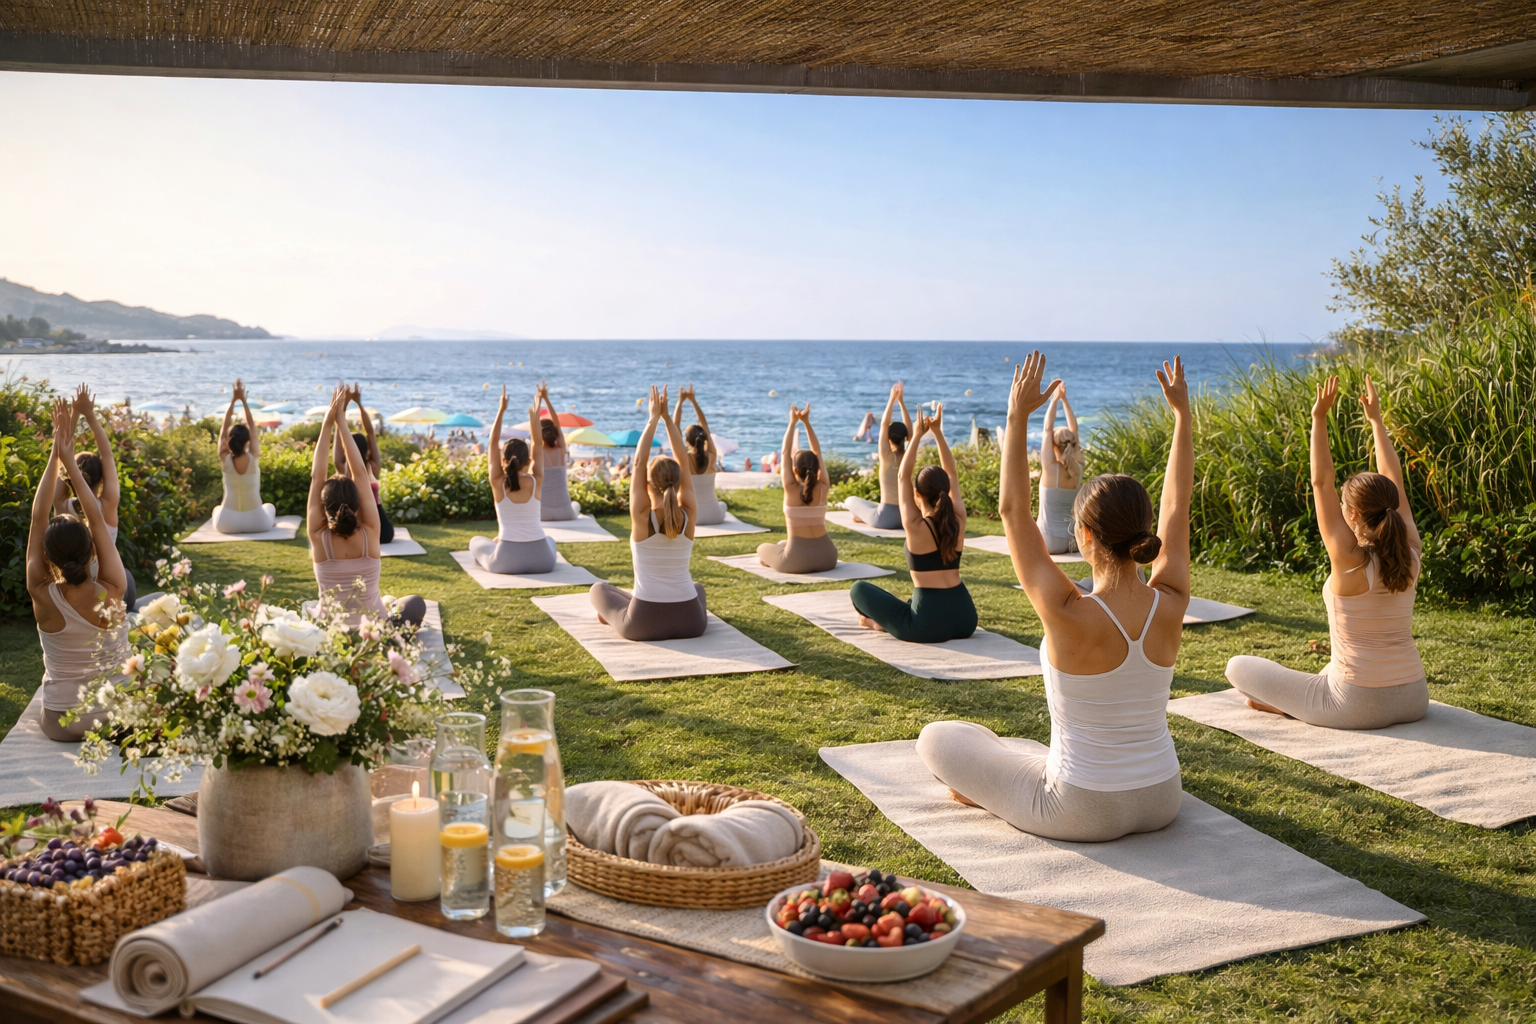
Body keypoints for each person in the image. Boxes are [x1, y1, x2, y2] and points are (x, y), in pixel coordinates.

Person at [916, 351, 1191, 843]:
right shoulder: (1170, 599)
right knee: (995, 750)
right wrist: (1182, 416)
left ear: (1084, 536)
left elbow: (1012, 513)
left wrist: (1016, 414)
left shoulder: (1067, 610)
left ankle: (987, 784)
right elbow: (1178, 504)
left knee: (938, 737)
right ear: (1143, 534)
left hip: (1079, 808)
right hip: (1162, 797)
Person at [1226, 375, 1428, 728]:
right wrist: (1376, 421)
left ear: (1350, 515)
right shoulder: (1411, 550)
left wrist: (1319, 419)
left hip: (1356, 704)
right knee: (1326, 669)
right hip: (1414, 697)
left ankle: (1293, 706)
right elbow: (1393, 476)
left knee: (1238, 667)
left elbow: (1321, 482)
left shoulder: (1349, 561)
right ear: (1393, 507)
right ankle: (1302, 701)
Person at [29, 399, 130, 741]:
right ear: (92, 549)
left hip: (61, 723)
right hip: (116, 714)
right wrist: (69, 460)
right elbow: (98, 521)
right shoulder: (113, 587)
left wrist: (55, 454)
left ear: (46, 553)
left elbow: (37, 518)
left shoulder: (40, 593)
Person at [849, 402, 975, 642]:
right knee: (903, 604)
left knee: (859, 589)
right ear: (946, 491)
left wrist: (916, 436)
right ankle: (890, 620)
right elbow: (952, 473)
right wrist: (937, 433)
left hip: (927, 623)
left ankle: (880, 623)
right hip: (965, 617)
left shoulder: (916, 527)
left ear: (918, 495)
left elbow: (902, 475)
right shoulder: (958, 519)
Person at [589, 386, 706, 641]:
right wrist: (666, 419)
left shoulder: (642, 517)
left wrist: (653, 418)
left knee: (598, 589)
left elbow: (639, 463)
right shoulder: (689, 515)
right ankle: (620, 610)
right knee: (697, 588)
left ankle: (615, 614)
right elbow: (684, 462)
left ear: (647, 485)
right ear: (677, 484)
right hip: (692, 623)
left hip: (643, 623)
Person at [308, 386, 425, 628]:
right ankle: (389, 610)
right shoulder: (371, 531)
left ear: (323, 505)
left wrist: (327, 424)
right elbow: (361, 473)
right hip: (372, 635)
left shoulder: (318, 537)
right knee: (415, 603)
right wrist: (341, 421)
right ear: (358, 502)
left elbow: (316, 476)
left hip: (330, 635)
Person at [53, 385, 135, 609]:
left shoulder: (61, 508)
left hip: (70, 591)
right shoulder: (106, 506)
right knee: (126, 574)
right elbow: (106, 455)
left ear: (68, 477)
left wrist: (72, 418)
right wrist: (88, 414)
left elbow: (63, 458)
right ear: (101, 481)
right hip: (107, 595)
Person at [468, 386, 558, 575]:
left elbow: (492, 443)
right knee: (550, 540)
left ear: (503, 460)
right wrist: (534, 418)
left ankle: (501, 538)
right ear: (529, 461)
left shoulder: (497, 482)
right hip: (543, 561)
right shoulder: (537, 480)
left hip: (505, 561)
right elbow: (537, 445)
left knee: (476, 541)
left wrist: (501, 409)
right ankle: (503, 537)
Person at [757, 404, 837, 574]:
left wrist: (792, 423)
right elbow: (817, 452)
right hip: (828, 558)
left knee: (762, 548)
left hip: (794, 561)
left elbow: (785, 453)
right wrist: (806, 423)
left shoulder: (791, 488)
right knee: (781, 545)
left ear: (794, 470)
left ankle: (779, 551)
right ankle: (782, 547)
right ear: (817, 469)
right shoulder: (823, 487)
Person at [211, 379, 277, 534]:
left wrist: (234, 400)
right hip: (258, 523)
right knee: (269, 507)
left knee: (217, 509)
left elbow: (223, 430)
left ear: (229, 440)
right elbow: (253, 429)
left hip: (226, 524)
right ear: (248, 439)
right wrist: (244, 401)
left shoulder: (225, 457)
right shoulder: (253, 457)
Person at [844, 382, 911, 530]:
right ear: (906, 437)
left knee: (850, 500)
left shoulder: (885, 455)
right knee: (870, 506)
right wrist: (901, 402)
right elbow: (911, 432)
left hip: (884, 519)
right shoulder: (909, 456)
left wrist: (892, 399)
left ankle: (861, 517)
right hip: (906, 517)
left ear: (888, 438)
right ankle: (862, 516)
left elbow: (884, 424)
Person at [331, 385, 393, 544]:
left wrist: (342, 410)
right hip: (382, 530)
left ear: (347, 450)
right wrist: (359, 403)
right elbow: (371, 433)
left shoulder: (343, 468)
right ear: (366, 450)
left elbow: (340, 441)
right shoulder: (373, 466)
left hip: (363, 529)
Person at [1037, 384, 1083, 555]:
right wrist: (1065, 400)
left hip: (1050, 542)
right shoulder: (1078, 468)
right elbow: (1075, 430)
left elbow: (1047, 429)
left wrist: (1054, 400)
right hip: (1073, 542)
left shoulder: (1050, 468)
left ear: (1053, 446)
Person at [675, 384, 728, 525]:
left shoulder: (683, 458)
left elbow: (675, 427)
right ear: (705, 439)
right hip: (715, 516)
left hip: (692, 517)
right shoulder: (712, 454)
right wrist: (693, 401)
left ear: (686, 440)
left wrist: (680, 401)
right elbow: (704, 424)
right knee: (722, 505)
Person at [535, 383, 580, 521]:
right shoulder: (561, 452)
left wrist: (538, 402)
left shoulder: (538, 452)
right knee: (576, 505)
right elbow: (557, 424)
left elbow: (534, 425)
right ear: (555, 435)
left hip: (543, 513)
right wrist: (546, 399)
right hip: (564, 512)